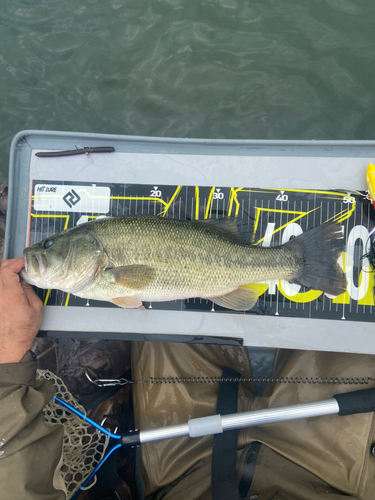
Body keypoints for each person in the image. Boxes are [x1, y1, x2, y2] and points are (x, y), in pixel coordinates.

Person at [1, 257, 375, 500]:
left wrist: (8, 355)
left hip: (180, 469)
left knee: (164, 325)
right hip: (340, 471)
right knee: (360, 321)